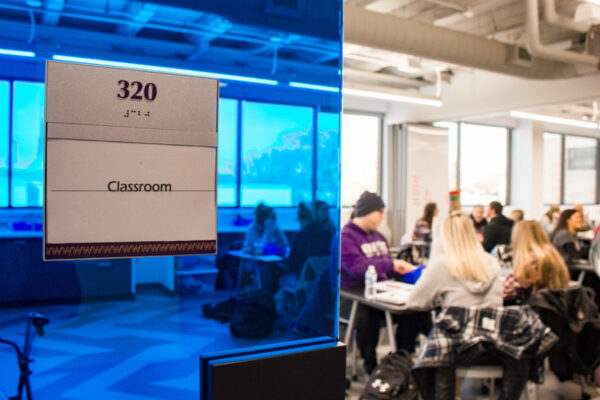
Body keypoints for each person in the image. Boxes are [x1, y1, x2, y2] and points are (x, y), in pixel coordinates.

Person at [340, 191, 428, 374]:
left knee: (414, 313)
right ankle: (371, 367)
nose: (382, 217)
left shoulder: (379, 237)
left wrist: (401, 270)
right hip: (355, 296)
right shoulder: (346, 236)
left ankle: (402, 359)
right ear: (368, 211)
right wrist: (392, 264)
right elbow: (356, 267)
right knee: (367, 319)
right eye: (379, 212)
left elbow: (386, 267)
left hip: (383, 292)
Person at [407, 212, 503, 310]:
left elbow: (414, 302)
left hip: (456, 324)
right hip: (490, 323)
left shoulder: (443, 265)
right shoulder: (492, 262)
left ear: (444, 236)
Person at [503, 220, 569, 303]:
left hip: (535, 309)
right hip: (553, 306)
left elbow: (506, 291)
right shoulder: (553, 254)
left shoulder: (531, 260)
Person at [551, 209, 600, 307]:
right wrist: (590, 247)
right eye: (577, 217)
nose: (580, 220)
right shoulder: (564, 234)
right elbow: (575, 254)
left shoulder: (567, 234)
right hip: (566, 272)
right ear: (568, 220)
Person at [286, 201, 335, 276]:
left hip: (305, 276)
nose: (327, 212)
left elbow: (292, 264)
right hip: (327, 274)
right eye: (323, 209)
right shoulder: (331, 233)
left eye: (327, 209)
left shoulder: (301, 235)